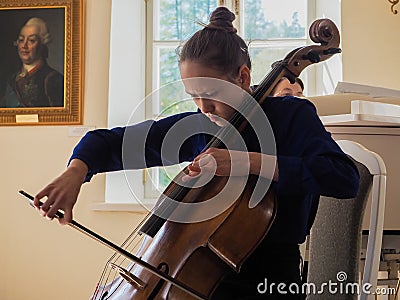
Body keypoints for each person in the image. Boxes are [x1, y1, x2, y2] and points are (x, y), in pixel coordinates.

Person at [34, 7, 359, 299]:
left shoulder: (291, 116)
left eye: (211, 94)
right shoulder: (201, 126)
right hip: (195, 283)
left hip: (269, 283)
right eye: (193, 96)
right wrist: (75, 172)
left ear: (243, 77)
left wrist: (246, 162)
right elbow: (108, 142)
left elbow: (343, 178)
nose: (203, 108)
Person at [1, 17, 64, 107]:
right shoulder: (12, 80)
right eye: (21, 40)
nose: (24, 45)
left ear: (42, 44)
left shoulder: (53, 80)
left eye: (31, 40)